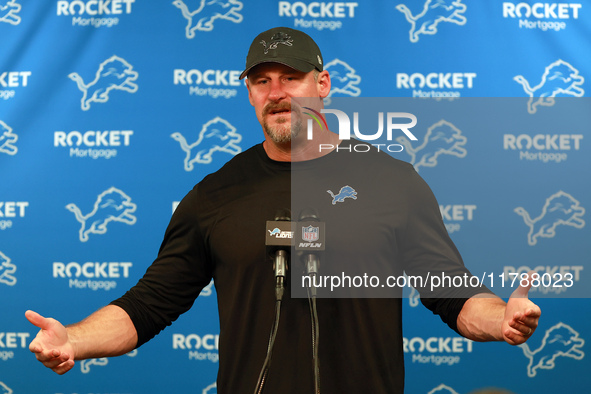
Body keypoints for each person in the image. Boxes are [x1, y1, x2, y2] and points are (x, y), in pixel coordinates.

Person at [25, 27, 541, 393]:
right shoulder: (214, 196)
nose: (277, 93)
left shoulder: (391, 182)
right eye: (262, 80)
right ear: (248, 92)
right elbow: (150, 304)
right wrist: (74, 339)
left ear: (323, 84)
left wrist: (502, 320)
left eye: (290, 77)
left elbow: (450, 291)